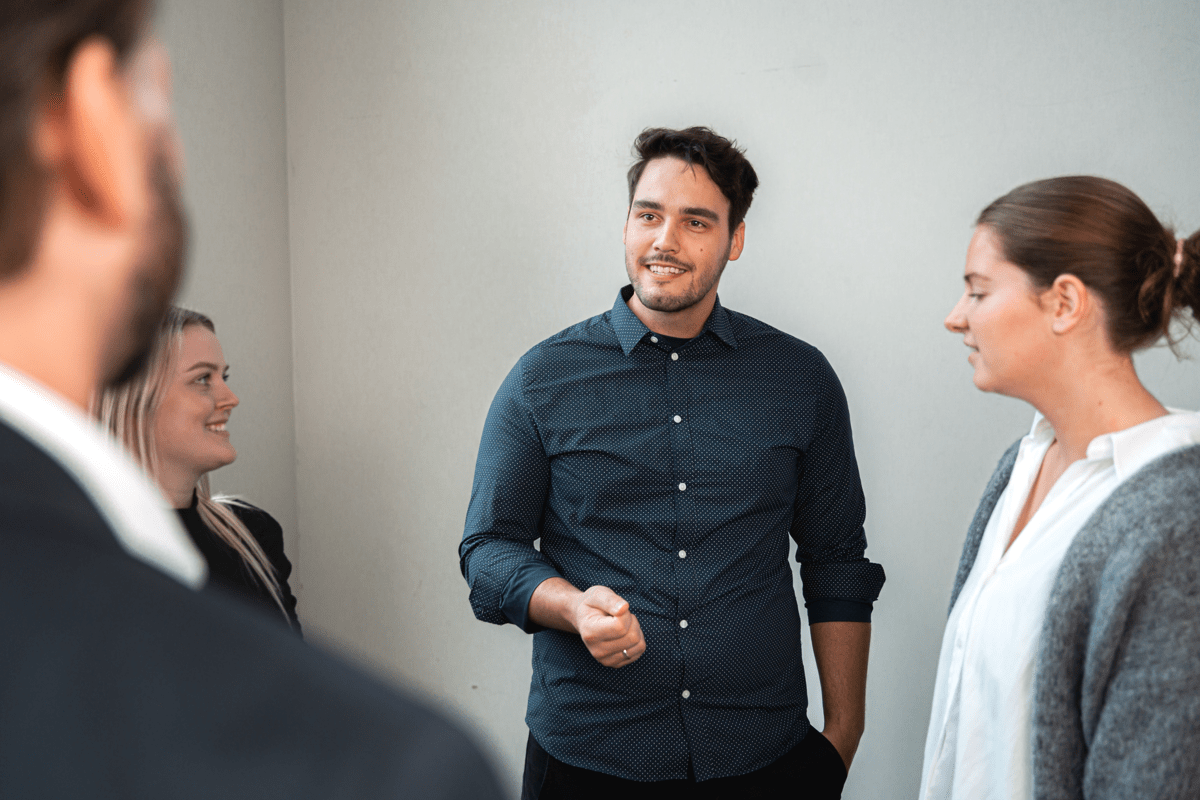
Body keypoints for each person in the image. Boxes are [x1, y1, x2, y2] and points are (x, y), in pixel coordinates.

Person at [0, 2, 502, 797]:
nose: (229, 397)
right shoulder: (390, 769)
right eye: (158, 94)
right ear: (93, 123)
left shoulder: (244, 539)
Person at [461, 126, 886, 799]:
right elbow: (488, 549)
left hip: (763, 758)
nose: (665, 240)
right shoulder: (542, 380)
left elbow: (837, 561)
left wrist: (843, 736)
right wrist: (571, 607)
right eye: (648, 215)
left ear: (734, 239)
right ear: (627, 225)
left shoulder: (800, 380)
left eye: (696, 222)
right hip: (589, 759)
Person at [921, 176, 1200, 800]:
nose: (955, 316)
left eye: (978, 291)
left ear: (1065, 303)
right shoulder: (1021, 466)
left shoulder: (1177, 523)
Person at [97, 306, 301, 632]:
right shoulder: (83, 548)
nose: (230, 398)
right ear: (134, 402)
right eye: (203, 379)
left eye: (224, 377)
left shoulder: (253, 534)